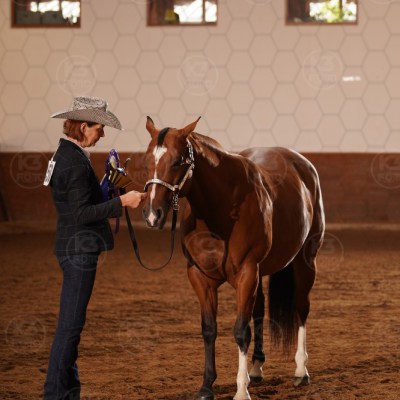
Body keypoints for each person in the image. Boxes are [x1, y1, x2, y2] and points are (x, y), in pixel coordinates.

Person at [43, 96, 146, 400]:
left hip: (71, 246)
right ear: (83, 126)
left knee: (71, 326)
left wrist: (107, 187)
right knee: (70, 327)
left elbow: (79, 204)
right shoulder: (75, 161)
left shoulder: (66, 154)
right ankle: (54, 394)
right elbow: (81, 213)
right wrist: (122, 201)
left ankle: (67, 393)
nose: (101, 135)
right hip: (79, 249)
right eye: (99, 128)